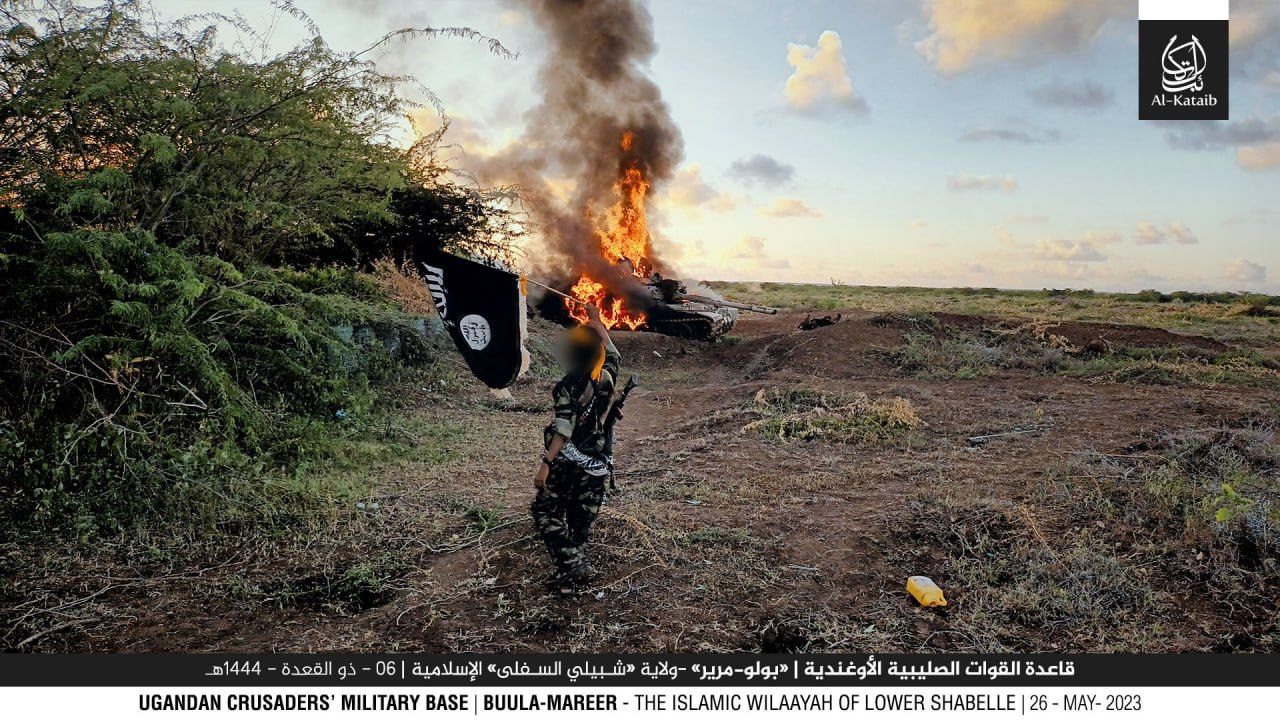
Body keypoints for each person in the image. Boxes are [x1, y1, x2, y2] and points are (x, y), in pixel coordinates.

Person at [531, 303, 621, 593]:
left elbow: (563, 428)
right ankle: (575, 559)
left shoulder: (569, 386)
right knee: (581, 512)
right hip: (597, 458)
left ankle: (572, 564)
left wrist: (546, 461)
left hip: (569, 459)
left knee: (545, 510)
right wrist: (596, 322)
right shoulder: (604, 377)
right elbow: (614, 354)